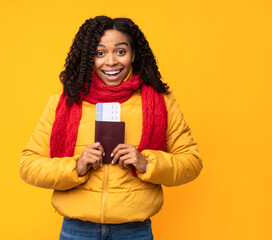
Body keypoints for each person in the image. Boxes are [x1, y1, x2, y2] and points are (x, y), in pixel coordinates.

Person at [19, 16, 203, 240]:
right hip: (77, 231)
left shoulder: (161, 103)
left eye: (120, 51)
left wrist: (146, 162)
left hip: (134, 231)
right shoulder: (63, 103)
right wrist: (76, 166)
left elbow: (191, 162)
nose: (111, 61)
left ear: (133, 54)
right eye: (100, 53)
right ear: (89, 58)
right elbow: (28, 165)